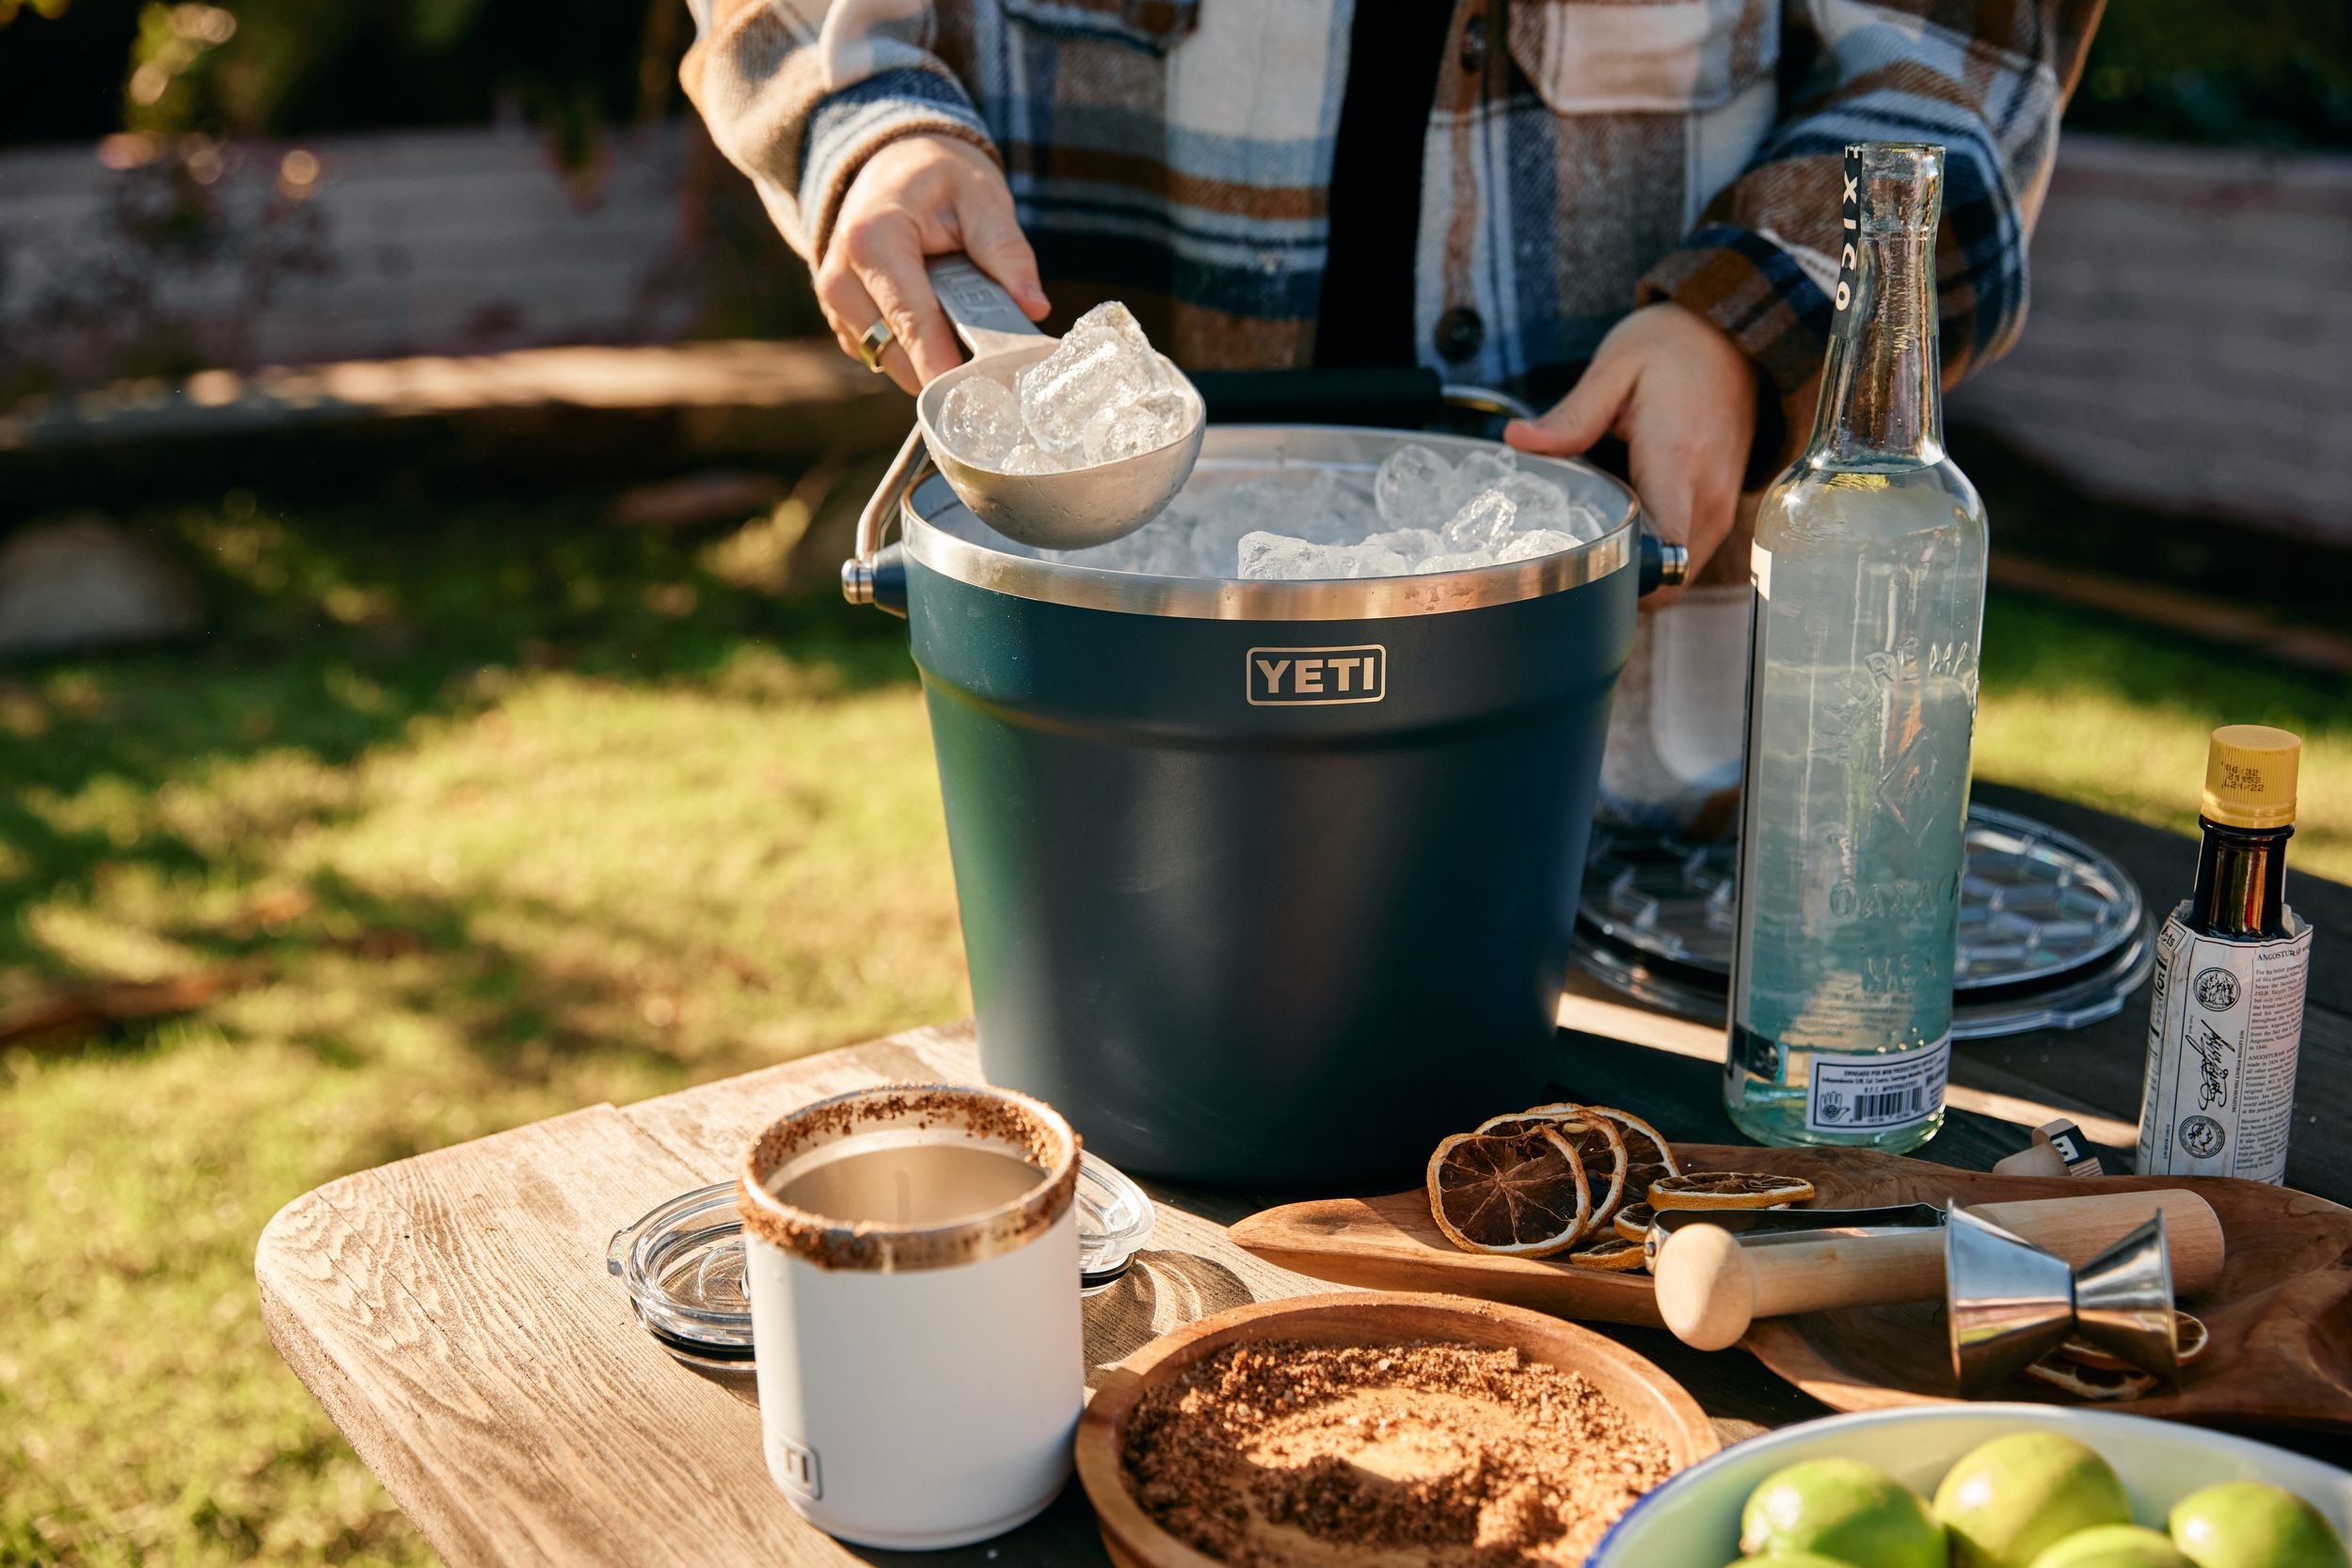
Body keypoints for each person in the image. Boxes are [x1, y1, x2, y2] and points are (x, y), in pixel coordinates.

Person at [678, 0, 2097, 819]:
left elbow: (1964, 47)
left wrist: (1744, 323)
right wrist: (868, 120)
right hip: (1107, 725)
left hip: (1625, 739)